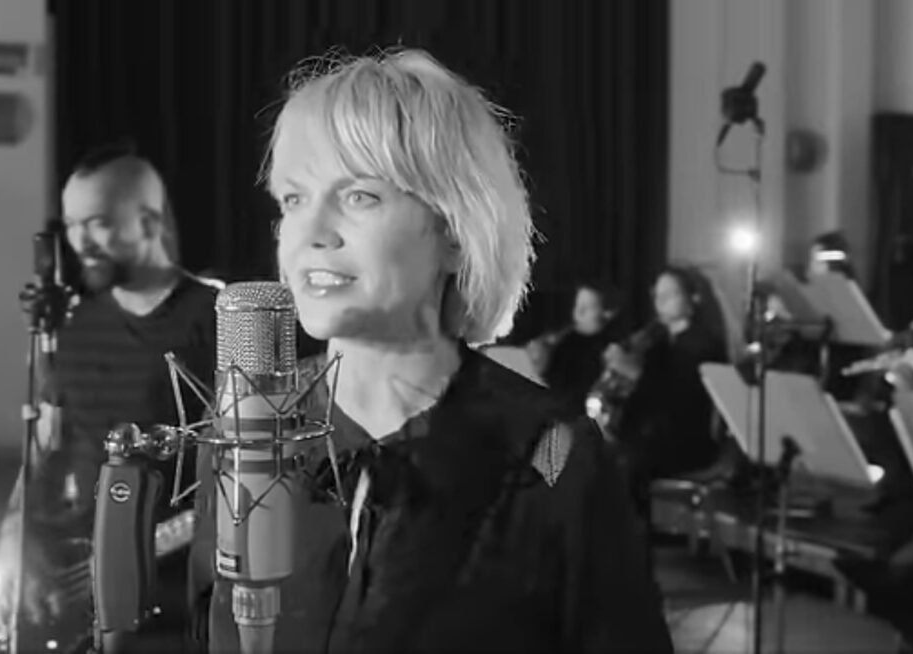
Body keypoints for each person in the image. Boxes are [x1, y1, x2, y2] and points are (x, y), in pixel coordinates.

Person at [190, 48, 672, 653]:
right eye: (293, 199)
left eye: (359, 196)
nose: (311, 233)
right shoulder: (241, 429)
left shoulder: (551, 453)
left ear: (454, 231)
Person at [0, 144, 217, 653]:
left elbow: (239, 473)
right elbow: (44, 451)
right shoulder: (73, 326)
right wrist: (17, 540)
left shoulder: (214, 319)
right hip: (79, 576)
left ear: (149, 222)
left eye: (98, 223)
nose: (80, 242)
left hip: (177, 586)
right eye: (72, 225)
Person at [607, 267, 728, 483]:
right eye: (657, 294)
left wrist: (634, 372)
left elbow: (677, 398)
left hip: (684, 443)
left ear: (694, 298)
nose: (660, 301)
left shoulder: (703, 345)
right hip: (651, 437)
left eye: (670, 294)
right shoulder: (657, 342)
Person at [528, 281, 622, 406]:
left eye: (586, 307)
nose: (578, 311)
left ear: (606, 315)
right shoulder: (560, 326)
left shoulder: (597, 356)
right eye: (578, 304)